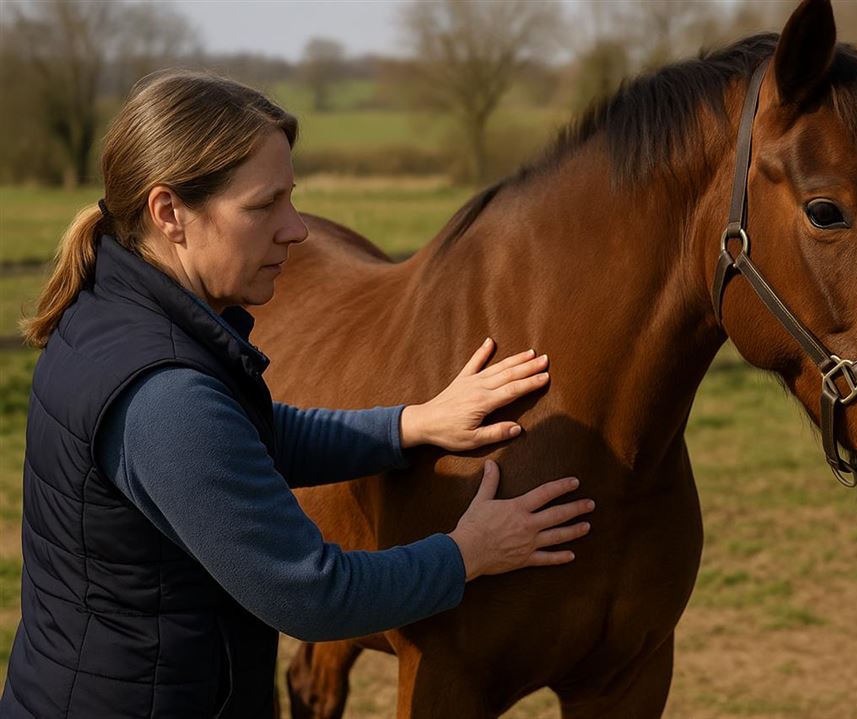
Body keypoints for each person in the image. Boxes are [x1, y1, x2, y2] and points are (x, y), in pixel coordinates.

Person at [0, 70, 594, 718]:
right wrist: (468, 552)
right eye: (264, 206)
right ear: (169, 213)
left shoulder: (114, 314)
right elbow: (313, 595)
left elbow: (240, 440)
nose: (296, 229)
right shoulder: (165, 396)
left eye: (291, 199)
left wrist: (410, 425)